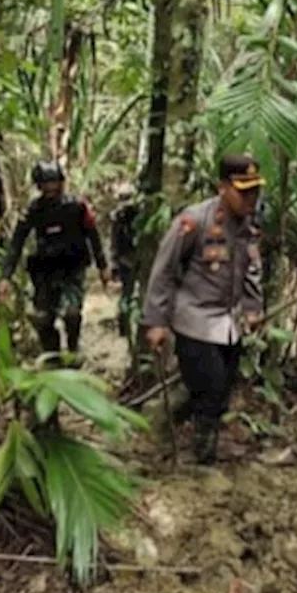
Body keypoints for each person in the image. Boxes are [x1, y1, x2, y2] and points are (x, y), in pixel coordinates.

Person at [141, 155, 266, 464]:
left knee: (222, 391)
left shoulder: (250, 225)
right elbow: (164, 271)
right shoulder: (194, 221)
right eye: (243, 191)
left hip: (229, 323)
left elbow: (252, 268)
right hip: (195, 320)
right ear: (222, 187)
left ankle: (165, 420)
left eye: (255, 191)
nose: (251, 198)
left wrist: (252, 307)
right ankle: (202, 459)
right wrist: (156, 322)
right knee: (210, 391)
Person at [0, 161, 109, 362]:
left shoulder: (77, 207)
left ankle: (73, 351)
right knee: (43, 319)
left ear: (61, 184)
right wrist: (6, 275)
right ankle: (53, 357)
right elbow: (16, 243)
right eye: (45, 185)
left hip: (72, 268)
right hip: (45, 272)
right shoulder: (33, 211)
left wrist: (103, 266)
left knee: (72, 313)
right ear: (38, 186)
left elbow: (93, 235)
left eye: (53, 184)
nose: (50, 189)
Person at [108, 183, 140, 339]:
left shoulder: (138, 215)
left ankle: (127, 325)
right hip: (127, 260)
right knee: (128, 294)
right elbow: (114, 242)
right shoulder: (118, 217)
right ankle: (124, 325)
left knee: (129, 294)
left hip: (133, 259)